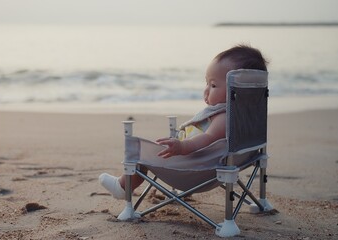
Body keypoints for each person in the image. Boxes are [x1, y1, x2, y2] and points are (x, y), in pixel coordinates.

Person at [99, 44, 268, 200]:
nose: (206, 90)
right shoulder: (244, 118)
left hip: (195, 170)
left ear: (236, 89)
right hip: (208, 165)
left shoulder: (224, 118)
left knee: (142, 156)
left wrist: (182, 147)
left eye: (214, 85)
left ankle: (121, 187)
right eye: (206, 83)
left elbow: (206, 139)